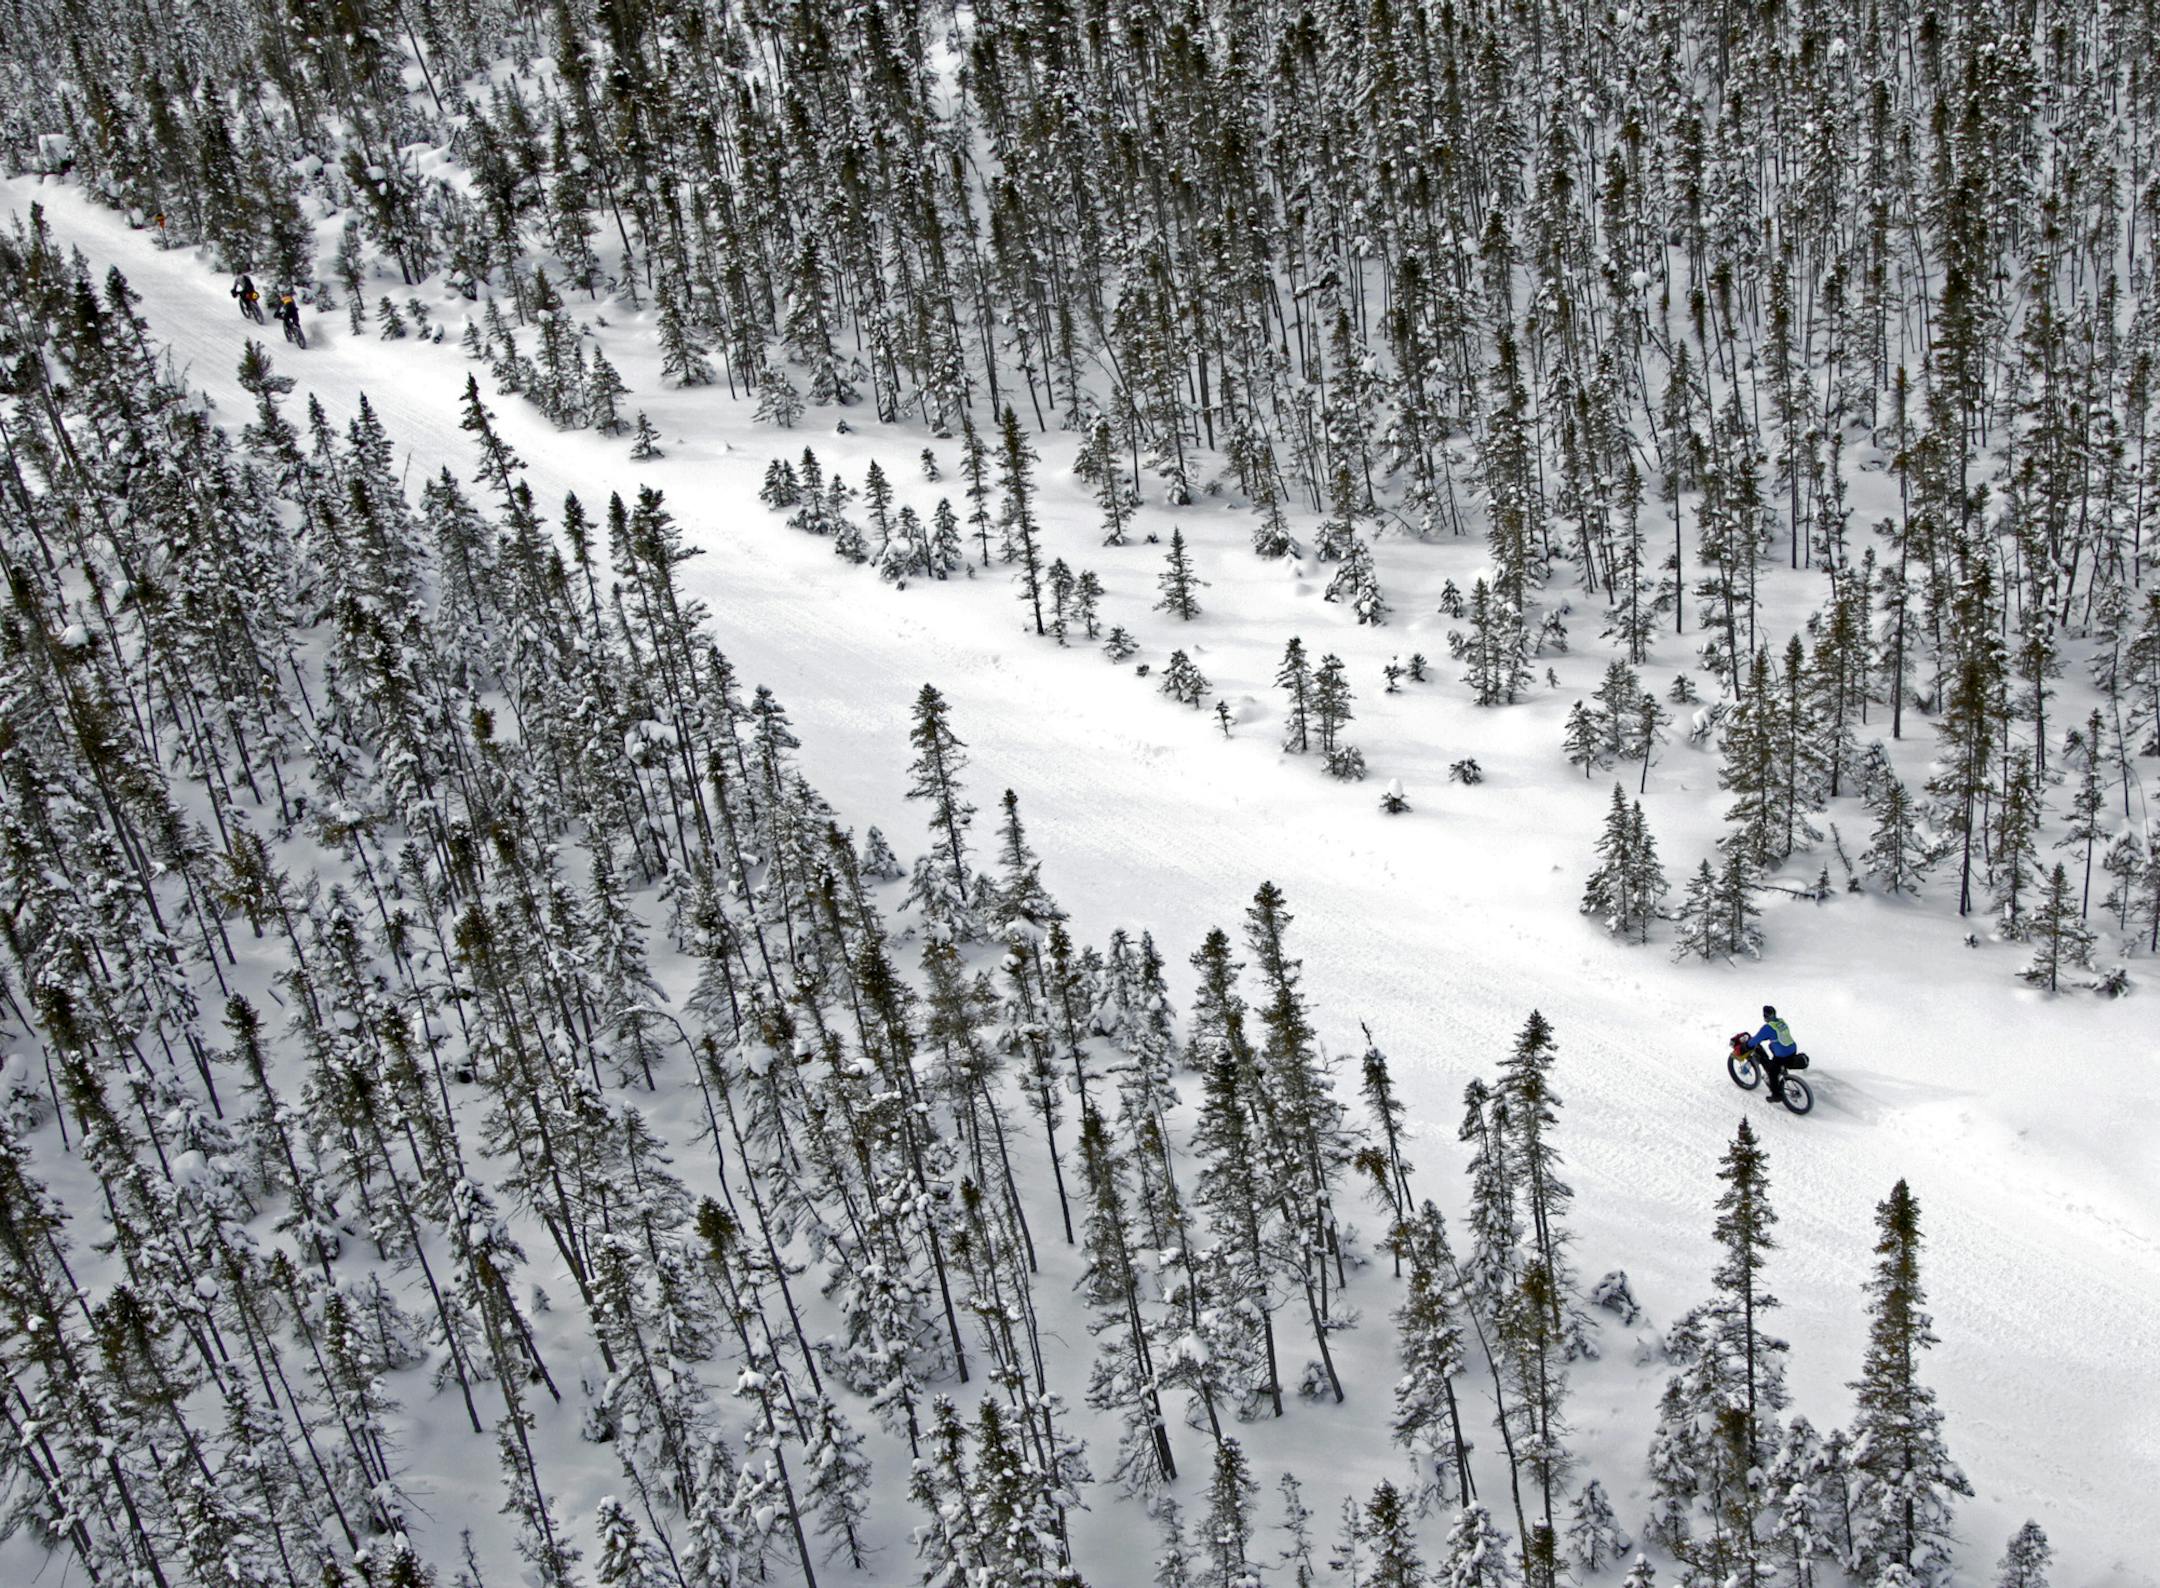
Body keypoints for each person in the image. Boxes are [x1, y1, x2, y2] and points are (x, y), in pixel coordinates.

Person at [1749, 1005, 1798, 1102]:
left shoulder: (1768, 1027)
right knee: (1774, 1051)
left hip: (1782, 1055)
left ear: (1765, 1016)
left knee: (1772, 1072)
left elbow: (1756, 1039)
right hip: (1792, 1049)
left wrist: (1747, 1045)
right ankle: (1782, 1070)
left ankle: (1776, 1095)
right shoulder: (1781, 1022)